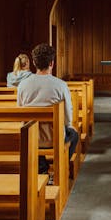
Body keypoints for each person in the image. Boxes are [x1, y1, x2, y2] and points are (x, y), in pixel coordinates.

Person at [17, 43, 79, 174]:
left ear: (33, 62)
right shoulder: (60, 85)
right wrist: (68, 125)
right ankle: (60, 165)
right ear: (52, 63)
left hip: (31, 137)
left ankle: (42, 168)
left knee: (33, 131)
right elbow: (68, 118)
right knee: (73, 134)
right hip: (54, 137)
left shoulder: (23, 85)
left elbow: (20, 111)